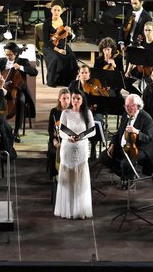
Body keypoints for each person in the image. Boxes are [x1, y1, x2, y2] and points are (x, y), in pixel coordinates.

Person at [54, 91, 95, 219]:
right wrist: (68, 137)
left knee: (80, 176)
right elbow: (61, 131)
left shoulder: (87, 113)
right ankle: (68, 209)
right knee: (68, 176)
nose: (75, 101)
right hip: (68, 148)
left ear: (82, 100)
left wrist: (82, 136)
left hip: (81, 148)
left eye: (78, 99)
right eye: (73, 98)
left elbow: (92, 131)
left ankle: (79, 209)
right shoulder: (65, 113)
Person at [106, 93, 153, 185]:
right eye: (126, 106)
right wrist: (112, 145)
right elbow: (118, 133)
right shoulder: (125, 115)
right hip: (124, 146)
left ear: (137, 106)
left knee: (125, 163)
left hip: (138, 148)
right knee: (104, 157)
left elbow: (148, 138)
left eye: (130, 106)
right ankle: (126, 175)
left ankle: (127, 177)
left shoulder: (147, 119)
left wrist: (136, 131)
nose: (127, 109)